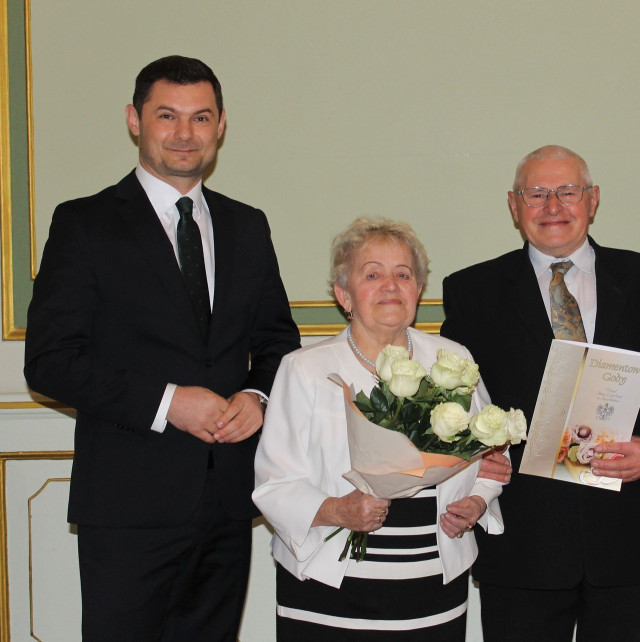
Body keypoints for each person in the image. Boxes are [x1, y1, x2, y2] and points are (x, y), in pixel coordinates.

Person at [22, 56, 301, 640]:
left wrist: (256, 394)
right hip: (127, 506)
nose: (184, 134)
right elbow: (50, 361)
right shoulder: (84, 224)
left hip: (227, 501)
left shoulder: (248, 226)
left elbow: (277, 341)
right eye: (166, 116)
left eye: (200, 118)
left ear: (221, 125)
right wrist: (168, 401)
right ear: (134, 120)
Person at [441, 145, 640, 641]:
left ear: (592, 200)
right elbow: (453, 406)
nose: (554, 207)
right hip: (522, 547)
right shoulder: (472, 291)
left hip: (631, 543)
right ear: (513, 205)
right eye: (536, 194)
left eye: (568, 192)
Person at [252, 217, 511, 640]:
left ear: (417, 290)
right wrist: (339, 510)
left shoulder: (453, 359)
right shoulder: (304, 369)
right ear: (344, 295)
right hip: (328, 581)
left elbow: (490, 456)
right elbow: (273, 483)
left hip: (432, 582)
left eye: (403, 275)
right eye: (372, 274)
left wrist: (478, 502)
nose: (390, 285)